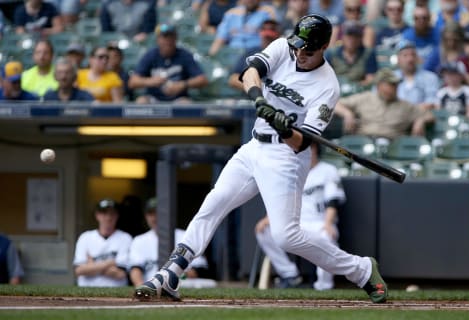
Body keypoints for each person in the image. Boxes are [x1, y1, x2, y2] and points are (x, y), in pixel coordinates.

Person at [133, 14, 389, 304]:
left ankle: (362, 269)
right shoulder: (283, 47)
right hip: (254, 146)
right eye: (298, 46)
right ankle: (171, 273)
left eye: (308, 49)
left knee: (285, 237)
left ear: (324, 47)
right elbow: (250, 72)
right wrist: (259, 100)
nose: (300, 53)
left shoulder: (327, 86)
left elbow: (302, 143)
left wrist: (284, 126)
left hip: (286, 157)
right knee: (214, 203)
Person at [255, 142, 346, 290]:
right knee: (264, 231)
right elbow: (280, 200)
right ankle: (290, 275)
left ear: (315, 149)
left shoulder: (328, 170)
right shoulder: (291, 171)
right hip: (295, 223)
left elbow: (333, 201)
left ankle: (324, 286)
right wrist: (268, 217)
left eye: (308, 148)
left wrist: (328, 223)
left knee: (326, 238)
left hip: (319, 222)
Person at [129, 197, 213, 287]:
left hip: (182, 286)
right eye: (151, 214)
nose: (155, 218)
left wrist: (177, 276)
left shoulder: (185, 236)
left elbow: (200, 269)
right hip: (151, 286)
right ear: (146, 216)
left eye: (158, 213)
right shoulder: (139, 240)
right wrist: (142, 287)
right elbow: (135, 269)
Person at [334, 68, 435, 140]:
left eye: (395, 85)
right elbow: (335, 104)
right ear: (379, 85)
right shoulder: (365, 98)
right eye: (390, 84)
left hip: (392, 146)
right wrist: (347, 114)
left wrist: (420, 121)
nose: (394, 88)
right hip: (365, 141)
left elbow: (430, 116)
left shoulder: (405, 105)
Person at [128, 24, 209, 103]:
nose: (167, 40)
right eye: (164, 37)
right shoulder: (150, 55)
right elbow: (132, 82)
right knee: (141, 101)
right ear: (158, 39)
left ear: (176, 38)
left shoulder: (184, 55)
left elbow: (202, 79)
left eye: (171, 36)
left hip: (178, 99)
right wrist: (151, 81)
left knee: (186, 104)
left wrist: (182, 85)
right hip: (153, 98)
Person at [73, 199, 132, 287]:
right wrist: (110, 263)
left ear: (117, 216)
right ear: (97, 215)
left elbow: (120, 274)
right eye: (104, 213)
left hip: (116, 291)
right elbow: (79, 271)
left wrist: (91, 265)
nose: (108, 217)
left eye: (112, 213)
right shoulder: (85, 237)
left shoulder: (125, 238)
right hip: (86, 292)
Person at [208, 0, 277, 56]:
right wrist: (210, 56)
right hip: (233, 55)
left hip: (255, 54)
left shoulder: (266, 13)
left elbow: (271, 39)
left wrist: (272, 14)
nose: (250, 1)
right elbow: (219, 40)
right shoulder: (231, 14)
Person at [229, 19, 281, 91]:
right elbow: (233, 79)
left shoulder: (286, 55)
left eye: (269, 37)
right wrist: (256, 90)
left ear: (278, 35)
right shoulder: (251, 53)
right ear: (260, 33)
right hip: (251, 99)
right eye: (266, 36)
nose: (267, 39)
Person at [325, 20, 378, 87]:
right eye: (349, 35)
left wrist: (356, 86)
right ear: (343, 37)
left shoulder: (368, 53)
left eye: (356, 36)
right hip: (337, 89)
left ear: (360, 38)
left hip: (359, 91)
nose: (352, 39)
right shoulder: (332, 53)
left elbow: (370, 79)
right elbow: (324, 78)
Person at [394, 40, 441, 111]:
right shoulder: (391, 77)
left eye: (413, 55)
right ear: (398, 59)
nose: (410, 59)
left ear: (417, 58)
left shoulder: (430, 77)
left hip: (423, 117)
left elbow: (432, 102)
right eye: (405, 55)